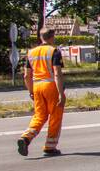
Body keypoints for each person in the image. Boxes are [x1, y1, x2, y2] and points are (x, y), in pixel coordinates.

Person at [18, 28, 66, 157]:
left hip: (37, 86)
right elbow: (57, 73)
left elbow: (26, 76)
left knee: (39, 116)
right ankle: (50, 147)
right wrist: (61, 93)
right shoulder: (54, 51)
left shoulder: (31, 53)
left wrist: (31, 91)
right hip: (51, 86)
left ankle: (26, 138)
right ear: (52, 37)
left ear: (41, 37)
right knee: (55, 117)